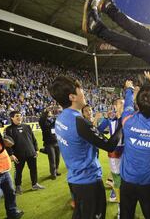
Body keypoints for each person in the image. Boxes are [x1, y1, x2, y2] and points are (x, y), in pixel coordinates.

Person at [48, 75, 123, 219]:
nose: (84, 93)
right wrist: (122, 123)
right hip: (88, 181)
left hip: (75, 179)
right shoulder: (79, 122)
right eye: (80, 90)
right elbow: (109, 145)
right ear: (72, 97)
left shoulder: (61, 118)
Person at [118, 78, 150, 219]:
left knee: (126, 215)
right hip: (149, 183)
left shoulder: (128, 120)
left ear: (138, 105)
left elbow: (128, 104)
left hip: (128, 181)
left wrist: (129, 89)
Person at [5, 111, 45, 194]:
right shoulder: (9, 129)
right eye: (17, 116)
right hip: (18, 155)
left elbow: (33, 139)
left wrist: (36, 149)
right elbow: (7, 144)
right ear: (12, 118)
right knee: (18, 171)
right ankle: (18, 187)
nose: (19, 117)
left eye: (20, 116)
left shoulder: (27, 126)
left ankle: (35, 184)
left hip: (31, 152)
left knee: (33, 169)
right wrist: (11, 154)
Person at [97, 99, 125, 203]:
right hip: (115, 152)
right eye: (120, 103)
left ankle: (113, 186)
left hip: (127, 151)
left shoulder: (128, 118)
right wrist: (105, 118)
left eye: (123, 103)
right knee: (117, 176)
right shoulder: (111, 118)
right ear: (114, 106)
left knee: (124, 175)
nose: (123, 105)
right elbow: (98, 130)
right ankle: (117, 198)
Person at [39, 107, 61, 180]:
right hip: (49, 143)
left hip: (56, 141)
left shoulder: (53, 120)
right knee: (52, 159)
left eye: (50, 112)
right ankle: (53, 173)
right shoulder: (43, 121)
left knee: (57, 158)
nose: (50, 112)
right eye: (48, 112)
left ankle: (56, 170)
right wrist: (46, 111)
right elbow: (42, 119)